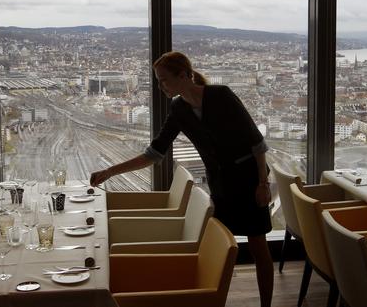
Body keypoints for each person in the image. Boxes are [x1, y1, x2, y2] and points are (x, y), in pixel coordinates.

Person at [90, 51, 273, 307]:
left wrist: (262, 184)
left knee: (258, 248)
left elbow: (257, 143)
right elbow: (154, 154)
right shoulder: (179, 109)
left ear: (184, 75)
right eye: (158, 80)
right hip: (220, 186)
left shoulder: (221, 96)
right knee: (220, 250)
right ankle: (214, 298)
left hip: (249, 181)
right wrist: (110, 172)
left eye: (163, 79)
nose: (160, 85)